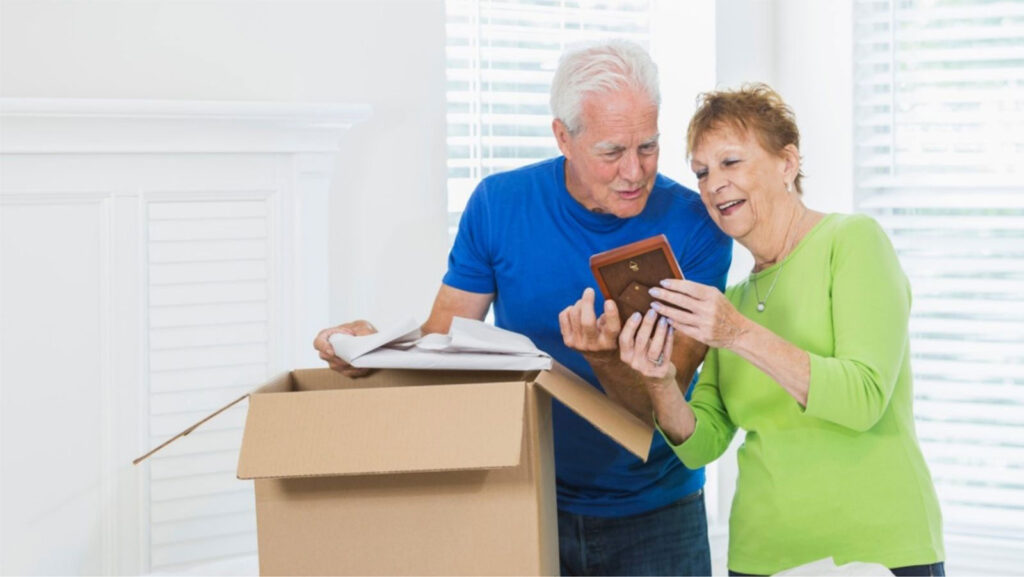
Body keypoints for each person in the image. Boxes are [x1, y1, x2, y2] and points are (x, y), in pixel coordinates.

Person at [313, 40, 732, 576]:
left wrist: (606, 360)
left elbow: (664, 401)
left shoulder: (697, 224)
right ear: (563, 136)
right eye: (611, 152)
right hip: (526, 495)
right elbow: (443, 340)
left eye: (647, 147)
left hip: (656, 512)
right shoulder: (498, 204)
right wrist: (374, 349)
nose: (634, 172)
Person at [613, 83, 945, 575]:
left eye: (731, 163)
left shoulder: (851, 242)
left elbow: (863, 399)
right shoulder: (733, 300)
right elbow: (702, 442)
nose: (712, 185)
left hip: (881, 550)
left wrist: (737, 334)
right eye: (702, 173)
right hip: (763, 555)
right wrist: (660, 382)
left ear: (787, 164)